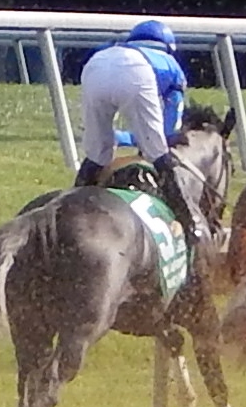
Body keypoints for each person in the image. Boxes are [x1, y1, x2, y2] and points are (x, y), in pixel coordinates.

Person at [74, 20, 201, 242]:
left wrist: (122, 137)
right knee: (160, 154)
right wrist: (151, 144)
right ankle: (189, 223)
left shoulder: (112, 50)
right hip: (136, 72)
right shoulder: (170, 64)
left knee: (96, 155)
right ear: (168, 46)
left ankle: (72, 206)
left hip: (94, 65)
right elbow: (169, 129)